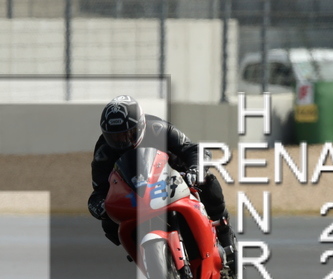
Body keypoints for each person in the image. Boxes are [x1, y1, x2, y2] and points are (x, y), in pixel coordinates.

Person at [87, 95, 235, 258]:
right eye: (115, 137)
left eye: (129, 134)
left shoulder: (158, 128)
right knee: (108, 222)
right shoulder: (103, 151)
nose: (123, 141)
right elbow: (100, 189)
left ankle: (224, 232)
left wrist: (195, 170)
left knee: (207, 180)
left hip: (174, 177)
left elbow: (193, 149)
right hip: (135, 193)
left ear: (141, 125)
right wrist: (99, 205)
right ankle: (140, 250)